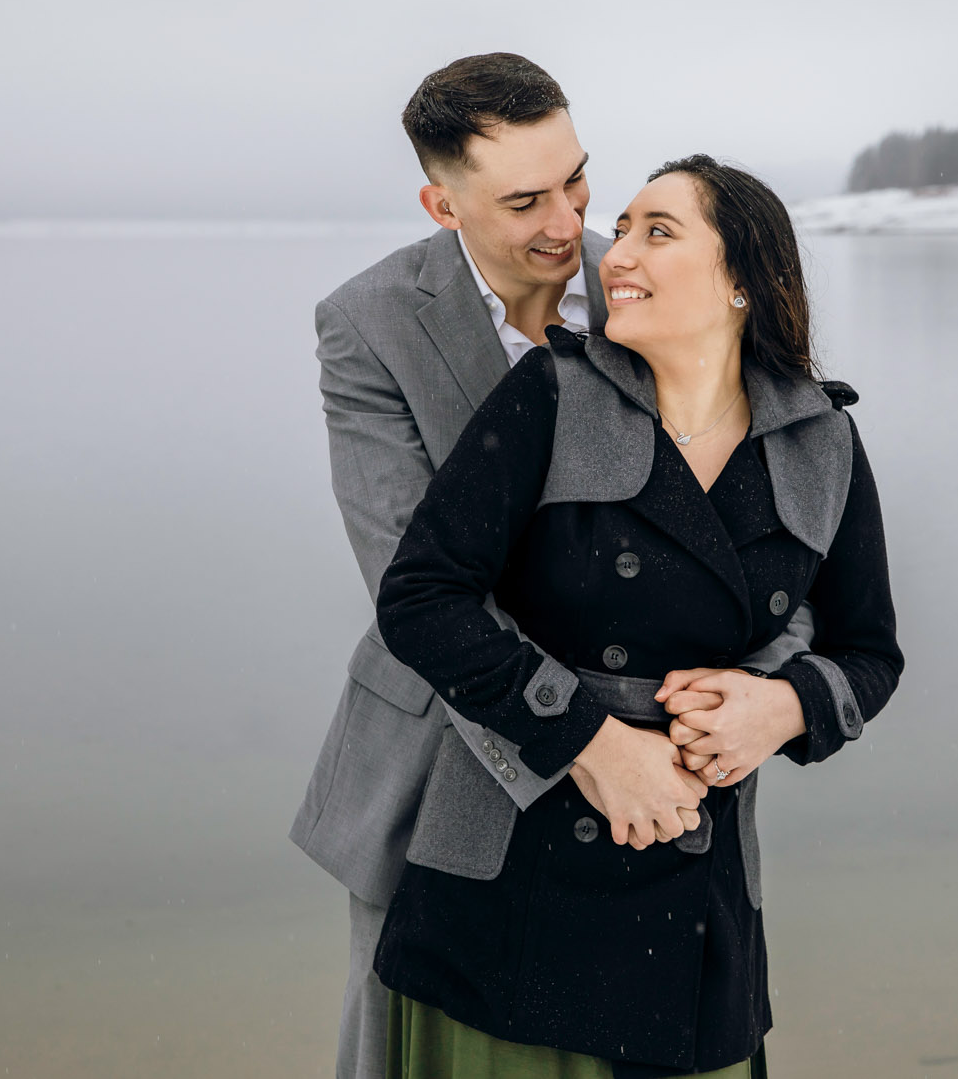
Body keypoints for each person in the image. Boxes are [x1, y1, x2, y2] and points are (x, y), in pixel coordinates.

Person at [288, 57, 817, 1079]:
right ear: (441, 203)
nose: (565, 222)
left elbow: (769, 534)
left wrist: (756, 700)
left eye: (575, 181)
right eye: (523, 199)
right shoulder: (367, 325)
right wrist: (586, 744)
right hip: (440, 757)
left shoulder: (649, 285)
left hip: (668, 771)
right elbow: (416, 581)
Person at [371, 156, 903, 1077]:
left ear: (742, 278)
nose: (615, 253)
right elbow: (422, 597)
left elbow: (870, 652)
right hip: (513, 879)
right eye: (621, 229)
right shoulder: (552, 394)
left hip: (697, 892)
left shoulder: (823, 437)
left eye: (659, 231)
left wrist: (781, 709)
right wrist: (591, 742)